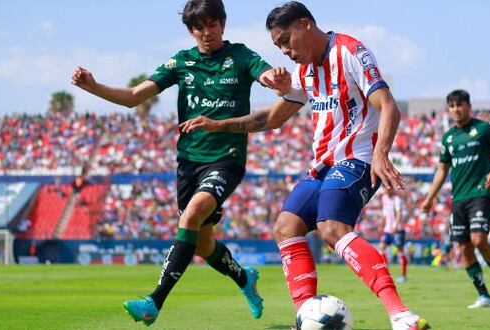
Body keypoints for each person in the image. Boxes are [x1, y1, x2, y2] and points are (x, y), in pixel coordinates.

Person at [180, 2, 429, 329]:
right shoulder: (304, 73)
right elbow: (270, 118)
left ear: (305, 25)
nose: (284, 51)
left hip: (359, 159)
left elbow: (388, 106)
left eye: (285, 40)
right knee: (286, 227)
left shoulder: (350, 52)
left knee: (332, 229)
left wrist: (381, 152)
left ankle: (401, 316)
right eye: (277, 46)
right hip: (323, 165)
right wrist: (218, 124)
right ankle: (305, 319)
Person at [71, 0, 290, 326]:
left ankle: (153, 302)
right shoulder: (182, 62)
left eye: (212, 24)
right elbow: (134, 97)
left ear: (223, 24)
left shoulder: (241, 56)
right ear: (191, 30)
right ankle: (245, 279)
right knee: (202, 244)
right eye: (199, 27)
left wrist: (278, 80)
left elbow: (267, 74)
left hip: (226, 159)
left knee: (190, 217)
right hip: (189, 163)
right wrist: (94, 87)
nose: (206, 32)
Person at [421, 89, 490, 308]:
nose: (456, 109)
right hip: (458, 199)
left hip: (480, 193)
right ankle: (483, 295)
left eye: (460, 105)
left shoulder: (484, 129)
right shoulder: (449, 137)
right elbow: (442, 170)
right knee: (464, 250)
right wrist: (430, 197)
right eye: (451, 106)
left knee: (479, 240)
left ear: (469, 106)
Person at [378, 189, 408, 282]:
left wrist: (395, 225)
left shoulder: (397, 199)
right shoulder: (384, 198)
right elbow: (384, 213)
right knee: (381, 248)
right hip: (387, 229)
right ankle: (386, 273)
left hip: (397, 230)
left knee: (400, 251)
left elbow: (399, 213)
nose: (387, 191)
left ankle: (403, 276)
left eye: (389, 189)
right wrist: (381, 224)